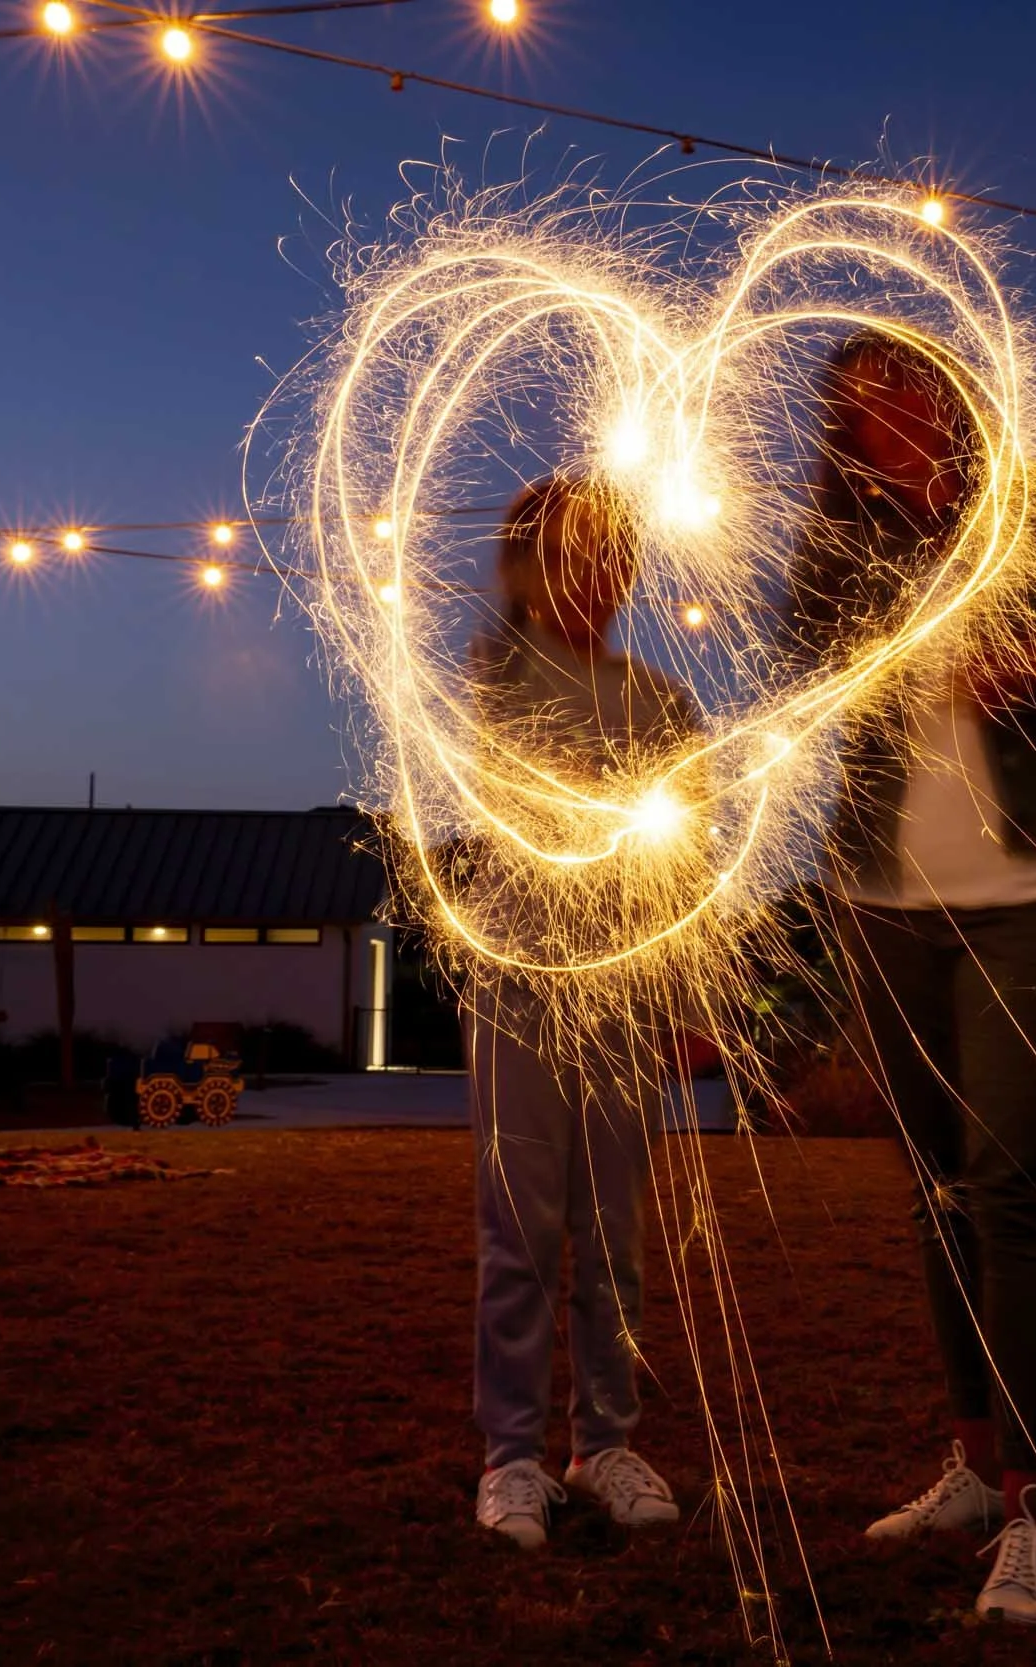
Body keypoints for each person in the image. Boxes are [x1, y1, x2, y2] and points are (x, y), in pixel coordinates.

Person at [781, 334, 1036, 1624]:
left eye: (905, 395)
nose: (886, 424)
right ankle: (973, 1463)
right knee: (937, 1185)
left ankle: (1035, 1504)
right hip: (883, 896)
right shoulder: (835, 545)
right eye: (860, 412)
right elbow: (802, 685)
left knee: (1020, 1180)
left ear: (953, 399)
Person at [465, 474, 701, 1549]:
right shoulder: (497, 670)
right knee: (522, 1225)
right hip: (520, 978)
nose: (595, 571)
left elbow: (684, 863)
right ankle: (511, 1454)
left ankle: (604, 1440)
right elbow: (516, 775)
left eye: (612, 549)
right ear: (527, 564)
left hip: (621, 986)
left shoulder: (664, 701)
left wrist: (683, 993)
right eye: (569, 549)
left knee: (614, 1232)